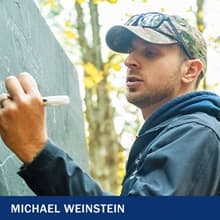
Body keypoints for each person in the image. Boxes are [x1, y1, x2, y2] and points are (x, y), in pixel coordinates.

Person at [0, 11, 220, 196]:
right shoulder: (172, 135)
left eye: (150, 53)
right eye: (131, 51)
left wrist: (36, 148)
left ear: (190, 71)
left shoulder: (197, 132)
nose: (129, 61)